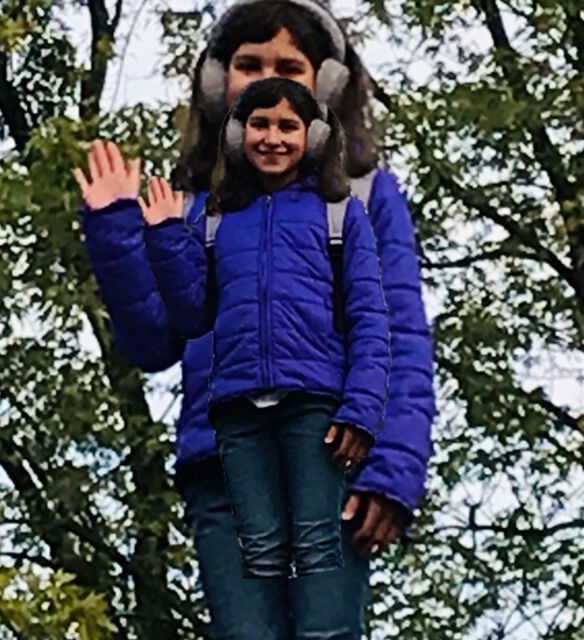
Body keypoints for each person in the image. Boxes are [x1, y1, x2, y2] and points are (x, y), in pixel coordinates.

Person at [75, 1, 436, 637]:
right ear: (220, 84)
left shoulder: (361, 196)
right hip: (223, 463)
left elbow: (400, 333)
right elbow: (156, 339)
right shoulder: (191, 206)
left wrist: (393, 469)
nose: (267, 80)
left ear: (326, 85)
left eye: (289, 67)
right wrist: (116, 229)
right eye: (249, 64)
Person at [137, 77, 390, 584]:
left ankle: (321, 623)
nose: (272, 138)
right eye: (260, 125)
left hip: (313, 404)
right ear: (238, 135)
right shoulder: (216, 220)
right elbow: (192, 317)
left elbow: (370, 320)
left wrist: (361, 410)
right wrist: (165, 235)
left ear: (313, 137)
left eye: (287, 126)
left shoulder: (339, 215)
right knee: (260, 551)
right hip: (238, 407)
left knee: (316, 544)